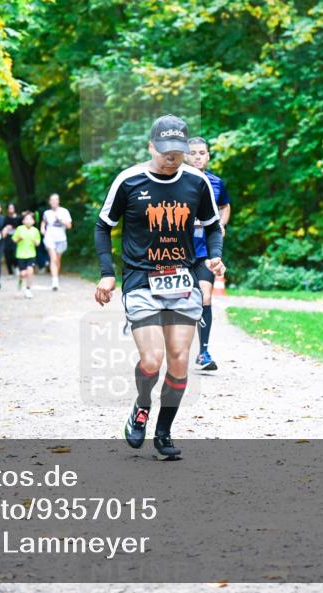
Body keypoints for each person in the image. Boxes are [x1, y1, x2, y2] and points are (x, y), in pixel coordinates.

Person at [94, 114, 225, 461]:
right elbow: (102, 226)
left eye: (178, 152)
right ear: (151, 146)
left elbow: (213, 226)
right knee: (152, 361)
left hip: (182, 279)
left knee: (179, 360)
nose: (171, 158)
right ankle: (141, 405)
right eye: (165, 151)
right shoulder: (129, 181)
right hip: (140, 278)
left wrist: (214, 257)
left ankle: (164, 433)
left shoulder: (196, 182)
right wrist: (108, 273)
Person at [187, 137, 231, 371]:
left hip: (204, 251)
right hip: (179, 251)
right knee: (177, 300)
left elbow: (225, 206)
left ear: (208, 156)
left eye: (201, 153)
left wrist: (221, 226)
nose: (197, 156)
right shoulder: (176, 181)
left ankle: (203, 352)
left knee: (205, 297)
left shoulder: (216, 183)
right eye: (192, 153)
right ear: (185, 156)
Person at [41, 193, 72, 291]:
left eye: (56, 200)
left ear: (58, 201)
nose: (54, 202)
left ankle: (56, 278)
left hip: (61, 239)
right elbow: (44, 222)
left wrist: (61, 219)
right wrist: (42, 229)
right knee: (53, 258)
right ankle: (55, 281)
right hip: (50, 238)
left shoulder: (64, 211)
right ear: (50, 202)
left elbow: (69, 226)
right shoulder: (47, 213)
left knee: (57, 260)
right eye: (52, 200)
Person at [12, 211, 41, 299]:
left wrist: (34, 241)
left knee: (30, 271)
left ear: (33, 221)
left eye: (30, 219)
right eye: (26, 219)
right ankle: (20, 281)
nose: (28, 221)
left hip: (31, 255)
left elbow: (38, 243)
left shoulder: (35, 231)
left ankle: (28, 289)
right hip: (21, 255)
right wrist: (18, 239)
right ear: (23, 221)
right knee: (23, 273)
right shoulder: (19, 229)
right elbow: (14, 240)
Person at [2, 203, 20, 286]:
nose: (11, 209)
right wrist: (6, 229)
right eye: (9, 208)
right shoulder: (5, 218)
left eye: (12, 208)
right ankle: (10, 272)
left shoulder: (18, 218)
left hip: (16, 238)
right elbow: (2, 228)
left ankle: (16, 267)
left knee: (15, 253)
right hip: (7, 238)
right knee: (7, 254)